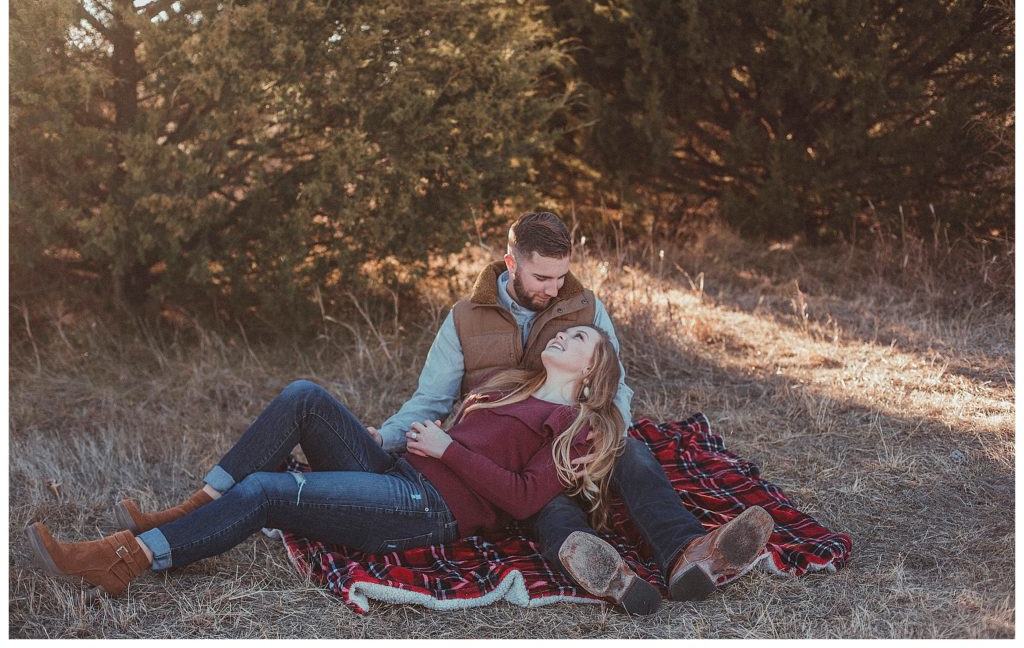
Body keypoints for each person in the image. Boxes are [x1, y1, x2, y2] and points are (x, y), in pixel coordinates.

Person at [25, 325, 638, 603]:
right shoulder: (512, 388)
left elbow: (527, 498)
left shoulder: (575, 426)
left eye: (580, 339)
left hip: (424, 509)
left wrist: (448, 450)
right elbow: (443, 438)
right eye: (564, 333)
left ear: (594, 371)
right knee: (304, 396)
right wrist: (399, 442)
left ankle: (123, 559)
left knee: (269, 489)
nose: (563, 337)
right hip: (400, 474)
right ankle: (195, 508)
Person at [369, 211, 774, 614]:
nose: (554, 288)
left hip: (575, 434)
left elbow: (613, 383)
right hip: (504, 455)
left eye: (561, 276)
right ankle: (607, 571)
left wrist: (602, 435)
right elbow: (431, 400)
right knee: (547, 503)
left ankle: (688, 553)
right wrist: (386, 437)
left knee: (630, 452)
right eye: (542, 278)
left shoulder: (585, 309)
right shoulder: (465, 317)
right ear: (512, 264)